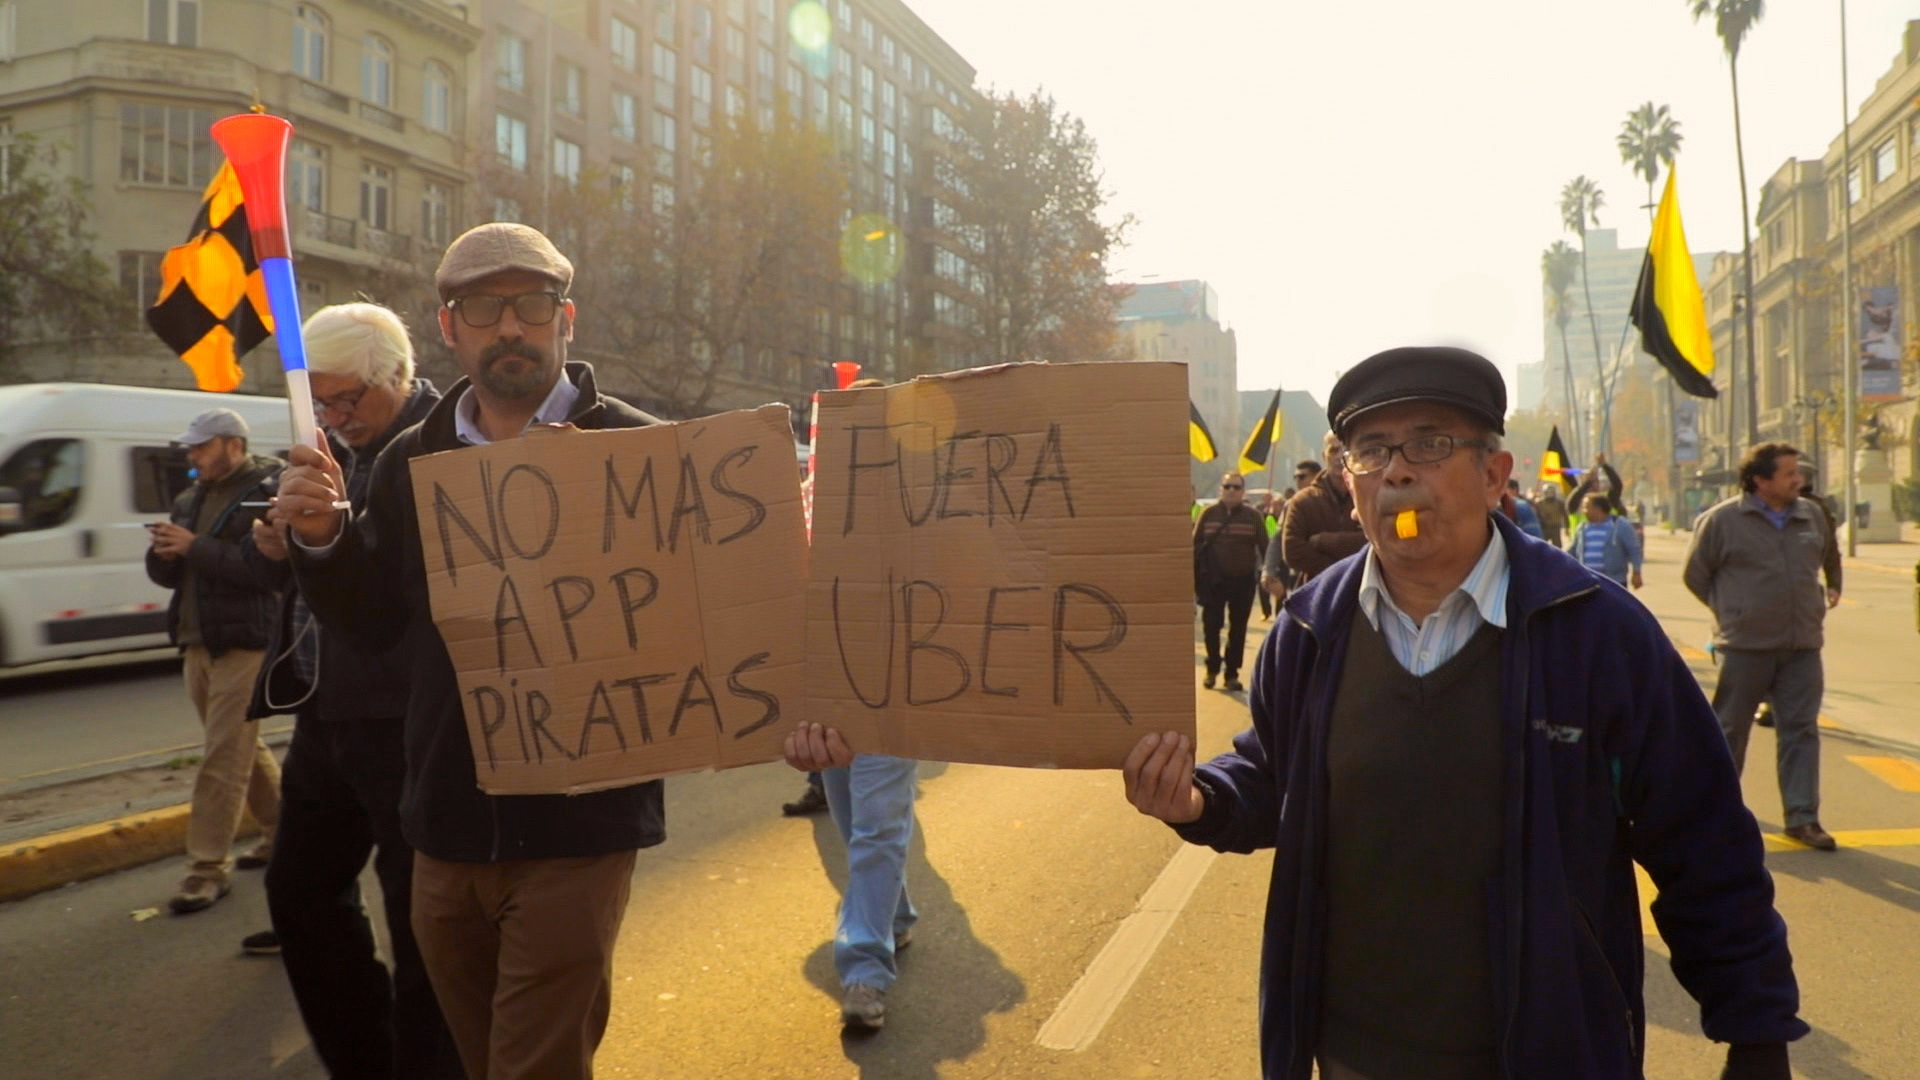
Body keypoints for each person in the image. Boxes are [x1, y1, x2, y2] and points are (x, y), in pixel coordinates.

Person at [1122, 345, 1805, 1080]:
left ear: (1493, 476)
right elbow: (1273, 773)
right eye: (1371, 451)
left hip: (1550, 1054)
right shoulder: (1310, 631)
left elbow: (1702, 835)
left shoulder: (1596, 630)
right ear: (1349, 485)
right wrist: (1202, 799)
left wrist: (1755, 1029)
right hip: (1354, 1051)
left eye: (1429, 444)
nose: (1396, 472)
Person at [276, 223, 663, 1080]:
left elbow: (710, 621)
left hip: (578, 828)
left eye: (532, 305)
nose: (510, 327)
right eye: (483, 309)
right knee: (476, 1057)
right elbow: (374, 625)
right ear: (450, 328)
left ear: (566, 319)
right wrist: (323, 540)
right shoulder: (410, 462)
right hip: (446, 824)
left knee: (533, 1065)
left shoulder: (640, 449)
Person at [239, 304, 461, 1078]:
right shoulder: (324, 448)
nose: (334, 417)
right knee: (298, 892)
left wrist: (335, 539)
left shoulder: (442, 445)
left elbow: (411, 590)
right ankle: (366, 1057)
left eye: (346, 399)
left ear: (395, 374)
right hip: (324, 710)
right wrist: (282, 549)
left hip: (408, 721)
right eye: (321, 402)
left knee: (420, 920)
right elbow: (296, 582)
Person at [145, 408, 284, 915]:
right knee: (240, 747)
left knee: (222, 759)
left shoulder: (266, 490)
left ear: (232, 445)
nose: (193, 456)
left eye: (201, 447)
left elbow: (263, 571)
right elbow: (173, 575)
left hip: (244, 642)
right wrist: (164, 554)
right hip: (197, 639)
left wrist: (194, 546)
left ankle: (206, 870)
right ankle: (284, 833)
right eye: (191, 447)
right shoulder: (191, 497)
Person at [1684, 442, 1843, 852]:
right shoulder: (1722, 521)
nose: (1798, 480)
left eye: (1798, 473)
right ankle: (1716, 818)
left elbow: (1827, 555)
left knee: (1801, 731)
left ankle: (1803, 818)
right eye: (1789, 474)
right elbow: (1696, 575)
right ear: (1760, 480)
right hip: (1745, 647)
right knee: (1729, 733)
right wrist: (1734, 612)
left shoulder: (1811, 515)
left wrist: (1827, 592)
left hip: (1802, 645)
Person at [1193, 471, 1269, 692]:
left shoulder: (1253, 517)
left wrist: (1268, 573)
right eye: (1227, 487)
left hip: (1243, 582)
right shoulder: (1208, 514)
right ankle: (1212, 668)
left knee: (1238, 629)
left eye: (1236, 487)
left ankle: (1232, 673)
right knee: (1211, 626)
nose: (1231, 491)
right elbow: (1195, 546)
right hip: (1213, 582)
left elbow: (1265, 547)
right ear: (1221, 489)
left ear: (1243, 492)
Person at [1280, 432, 1365, 584]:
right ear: (1324, 456)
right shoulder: (1303, 501)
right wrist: (1339, 572)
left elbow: (1380, 541)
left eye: (1345, 450)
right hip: (1318, 588)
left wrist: (1324, 541)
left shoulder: (1369, 496)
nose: (1340, 456)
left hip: (1365, 586)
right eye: (1334, 450)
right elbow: (1293, 552)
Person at [1262, 462, 1321, 610]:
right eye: (1295, 477)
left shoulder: (1329, 500)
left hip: (1328, 572)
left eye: (1302, 477)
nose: (1297, 481)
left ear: (1316, 476)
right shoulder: (1291, 505)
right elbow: (1277, 539)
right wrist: (1269, 571)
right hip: (1298, 575)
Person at [1570, 492, 1643, 590]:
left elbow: (1634, 550)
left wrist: (1637, 573)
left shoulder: (1620, 525)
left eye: (1586, 507)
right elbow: (1572, 551)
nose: (1583, 511)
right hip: (1588, 582)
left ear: (1598, 508)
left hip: (1614, 582)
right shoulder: (1582, 528)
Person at [1568, 451, 1626, 517]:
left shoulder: (1607, 500)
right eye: (1592, 482)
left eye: (1597, 481)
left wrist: (1604, 465)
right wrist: (1588, 483)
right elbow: (1575, 498)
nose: (1595, 485)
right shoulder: (1577, 504)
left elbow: (1617, 485)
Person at [1533, 484, 1568, 548]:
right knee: (1541, 546)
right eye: (1548, 492)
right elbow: (1535, 516)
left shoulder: (1559, 503)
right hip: (1544, 528)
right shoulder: (1539, 503)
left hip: (1555, 527)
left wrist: (1567, 527)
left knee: (1557, 547)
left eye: (1551, 492)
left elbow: (1565, 515)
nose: (1550, 494)